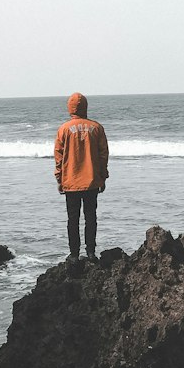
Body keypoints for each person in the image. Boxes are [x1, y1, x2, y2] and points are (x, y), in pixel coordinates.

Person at [54, 92, 109, 262]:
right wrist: (103, 176)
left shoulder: (64, 129)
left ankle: (74, 254)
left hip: (71, 181)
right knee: (91, 217)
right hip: (92, 180)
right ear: (85, 107)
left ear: (70, 108)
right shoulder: (97, 128)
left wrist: (59, 179)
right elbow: (103, 155)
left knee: (73, 219)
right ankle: (91, 252)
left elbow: (59, 157)